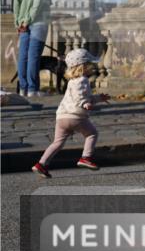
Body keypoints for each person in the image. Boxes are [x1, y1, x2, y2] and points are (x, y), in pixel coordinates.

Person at [32, 48, 110, 178]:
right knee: (91, 134)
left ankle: (41, 164)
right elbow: (81, 97)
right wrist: (85, 103)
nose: (93, 67)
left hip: (62, 117)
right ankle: (86, 158)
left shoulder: (72, 81)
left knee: (57, 142)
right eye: (90, 64)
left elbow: (80, 96)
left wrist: (99, 99)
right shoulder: (83, 80)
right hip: (76, 116)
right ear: (83, 66)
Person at [13, 0, 52, 97]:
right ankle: (32, 89)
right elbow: (37, 4)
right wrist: (28, 20)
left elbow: (16, 3)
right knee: (34, 56)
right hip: (38, 23)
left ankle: (23, 88)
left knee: (23, 56)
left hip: (23, 23)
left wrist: (18, 22)